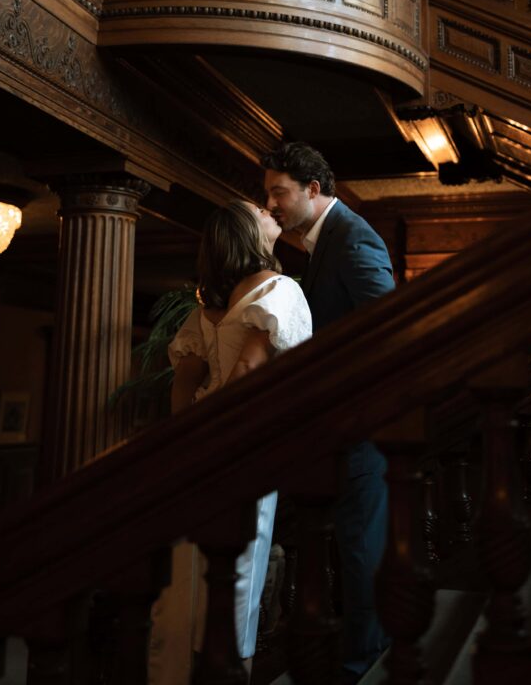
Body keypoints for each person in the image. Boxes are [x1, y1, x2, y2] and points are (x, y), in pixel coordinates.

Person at [262, 142, 395, 685]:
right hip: (338, 431)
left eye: (279, 192)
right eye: (267, 193)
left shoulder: (352, 237)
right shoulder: (324, 245)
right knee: (352, 551)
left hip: (361, 427)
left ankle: (363, 665)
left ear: (313, 190)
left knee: (362, 554)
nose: (270, 204)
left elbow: (388, 327)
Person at [167, 199, 312, 676]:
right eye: (262, 213)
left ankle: (191, 664)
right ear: (250, 233)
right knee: (241, 567)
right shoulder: (279, 288)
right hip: (243, 439)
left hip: (197, 442)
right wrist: (223, 433)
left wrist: (189, 434)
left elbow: (185, 380)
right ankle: (232, 668)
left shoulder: (208, 306)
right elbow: (250, 367)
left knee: (194, 562)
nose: (273, 213)